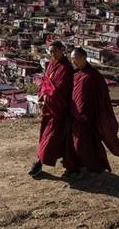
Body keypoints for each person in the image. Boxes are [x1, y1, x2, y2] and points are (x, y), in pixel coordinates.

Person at [63, 48, 119, 177]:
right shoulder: (75, 73)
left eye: (75, 58)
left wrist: (97, 115)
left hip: (89, 117)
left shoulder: (94, 75)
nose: (73, 61)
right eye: (72, 59)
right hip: (73, 115)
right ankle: (73, 167)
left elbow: (102, 97)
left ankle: (95, 167)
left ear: (84, 58)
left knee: (83, 143)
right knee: (70, 143)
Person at [28, 41, 73, 177]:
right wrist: (42, 96)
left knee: (51, 137)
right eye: (50, 51)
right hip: (49, 108)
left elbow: (60, 89)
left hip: (59, 109)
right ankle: (69, 164)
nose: (52, 54)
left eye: (54, 51)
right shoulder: (51, 65)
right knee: (52, 137)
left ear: (62, 50)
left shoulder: (66, 68)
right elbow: (45, 82)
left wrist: (49, 97)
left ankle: (39, 163)